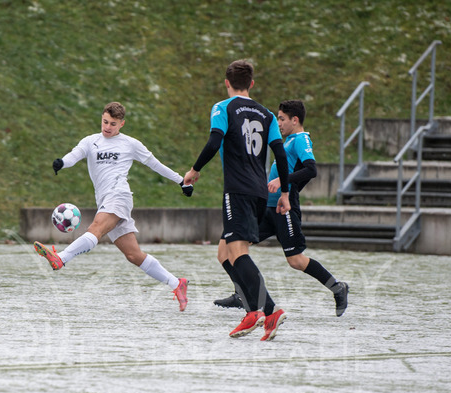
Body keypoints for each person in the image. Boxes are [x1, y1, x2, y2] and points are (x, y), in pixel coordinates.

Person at [34, 102, 191, 311]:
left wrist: (182, 181)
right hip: (105, 200)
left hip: (119, 196)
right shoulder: (91, 141)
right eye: (105, 122)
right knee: (133, 255)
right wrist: (62, 162)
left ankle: (60, 259)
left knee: (95, 229)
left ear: (122, 124)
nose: (107, 127)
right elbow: (75, 154)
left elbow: (155, 164)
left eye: (113, 124)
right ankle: (176, 283)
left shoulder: (130, 144)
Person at [183, 60, 291, 340]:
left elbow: (214, 141)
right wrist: (286, 194)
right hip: (259, 192)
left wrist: (195, 170)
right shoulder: (267, 115)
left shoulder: (223, 107)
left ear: (227, 83)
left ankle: (262, 311)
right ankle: (264, 310)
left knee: (239, 253)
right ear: (252, 84)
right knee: (224, 252)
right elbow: (279, 155)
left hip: (237, 191)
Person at [213, 99, 349, 316]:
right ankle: (242, 294)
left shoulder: (301, 139)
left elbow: (311, 169)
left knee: (295, 260)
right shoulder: (287, 142)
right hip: (266, 208)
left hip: (283, 210)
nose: (279, 123)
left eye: (282, 119)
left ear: (295, 120)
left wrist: (284, 184)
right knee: (227, 249)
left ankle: (337, 287)